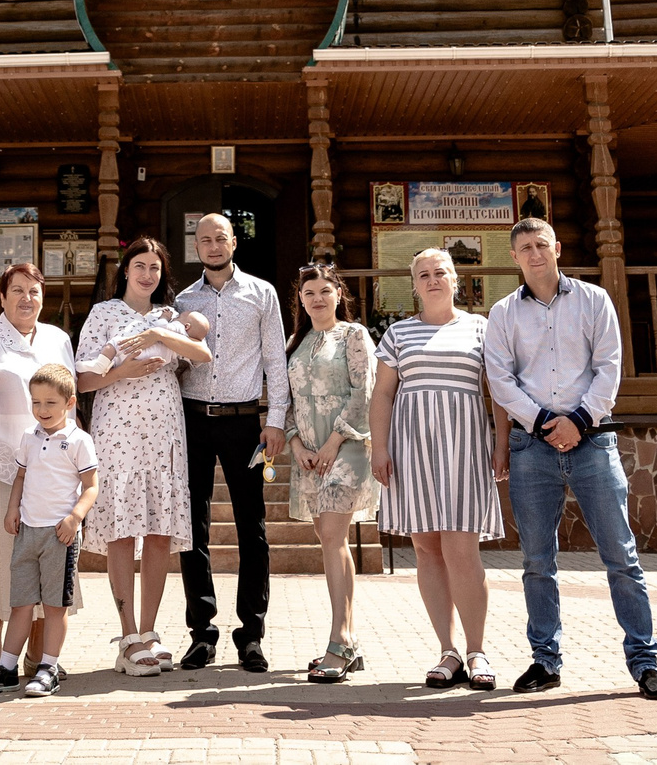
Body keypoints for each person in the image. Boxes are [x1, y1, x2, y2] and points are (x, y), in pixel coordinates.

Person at [482, 216, 657, 699]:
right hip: (532, 448)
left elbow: (609, 367)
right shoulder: (502, 314)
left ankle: (645, 662)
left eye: (541, 244)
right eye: (525, 248)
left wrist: (578, 421)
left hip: (593, 443)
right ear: (514, 257)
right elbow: (500, 380)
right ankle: (545, 661)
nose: (535, 254)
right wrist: (547, 422)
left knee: (621, 557)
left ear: (558, 248)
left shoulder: (594, 300)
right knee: (537, 561)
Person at [370, 246, 509, 692]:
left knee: (462, 550)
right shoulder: (398, 334)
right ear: (414, 285)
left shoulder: (480, 328)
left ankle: (477, 650)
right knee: (427, 549)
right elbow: (383, 394)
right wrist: (379, 447)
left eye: (440, 272)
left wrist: (501, 442)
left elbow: (498, 391)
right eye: (424, 274)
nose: (432, 280)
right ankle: (447, 652)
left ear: (455, 279)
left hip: (465, 448)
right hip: (412, 449)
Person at [76, 237, 212, 677]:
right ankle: (128, 635)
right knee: (121, 528)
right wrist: (123, 371)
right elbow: (81, 380)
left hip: (164, 430)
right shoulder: (104, 313)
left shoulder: (168, 316)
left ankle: (150, 632)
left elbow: (203, 353)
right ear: (126, 270)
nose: (147, 274)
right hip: (117, 430)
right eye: (140, 265)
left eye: (155, 267)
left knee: (158, 529)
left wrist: (160, 333)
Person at [172, 212, 292, 672]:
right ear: (196, 247)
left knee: (252, 528)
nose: (213, 246)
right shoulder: (183, 300)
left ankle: (251, 634)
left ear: (234, 242)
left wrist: (274, 420)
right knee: (193, 527)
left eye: (220, 238)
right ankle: (202, 633)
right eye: (205, 240)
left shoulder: (262, 293)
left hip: (244, 424)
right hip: (192, 421)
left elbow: (274, 361)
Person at [0, 261, 81, 690]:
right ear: (2, 296)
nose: (26, 298)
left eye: (34, 291)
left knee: (46, 563)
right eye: (17, 290)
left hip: (51, 475)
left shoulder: (58, 339)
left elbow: (70, 406)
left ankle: (38, 657)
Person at [283, 261, 377, 683]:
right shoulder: (296, 342)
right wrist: (296, 444)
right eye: (309, 293)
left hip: (346, 448)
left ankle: (339, 641)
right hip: (309, 456)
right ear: (300, 301)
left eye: (325, 290)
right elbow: (285, 399)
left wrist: (333, 442)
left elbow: (365, 392)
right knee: (329, 541)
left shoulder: (354, 335)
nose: (317, 298)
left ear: (339, 294)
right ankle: (350, 640)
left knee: (335, 538)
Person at [0, 362, 99, 698]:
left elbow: (91, 486)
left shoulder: (80, 440)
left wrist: (75, 518)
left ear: (69, 403)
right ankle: (6, 668)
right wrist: (13, 509)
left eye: (50, 403)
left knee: (55, 607)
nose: (42, 409)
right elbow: (21, 477)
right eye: (36, 402)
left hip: (60, 536)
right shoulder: (29, 436)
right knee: (21, 604)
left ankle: (48, 668)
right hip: (27, 532)